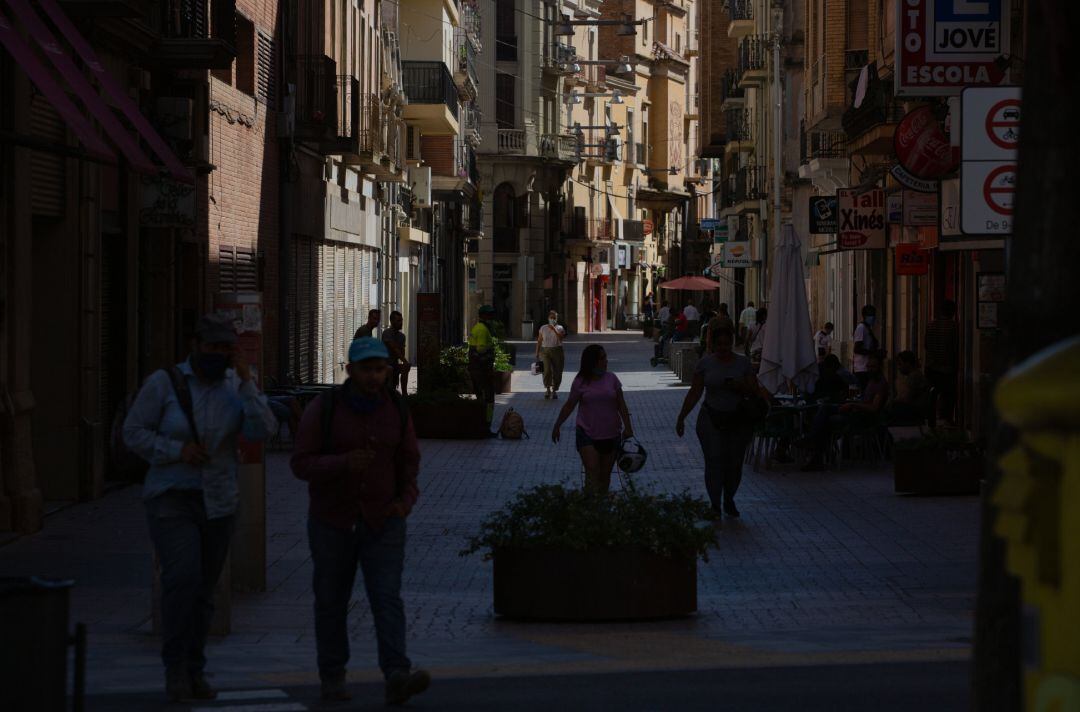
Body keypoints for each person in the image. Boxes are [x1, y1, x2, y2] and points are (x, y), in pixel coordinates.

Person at [123, 313, 278, 702]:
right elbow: (133, 432)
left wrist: (246, 383)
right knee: (183, 579)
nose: (218, 354)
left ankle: (195, 667)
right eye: (212, 347)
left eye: (226, 347)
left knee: (205, 590)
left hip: (219, 500)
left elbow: (263, 430)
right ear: (196, 346)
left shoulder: (235, 386)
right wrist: (176, 450)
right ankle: (175, 667)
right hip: (172, 495)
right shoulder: (165, 384)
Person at [291, 338, 430, 705]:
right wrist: (341, 464)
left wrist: (405, 502)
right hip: (332, 522)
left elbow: (410, 461)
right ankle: (332, 676)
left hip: (383, 520)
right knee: (332, 601)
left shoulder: (397, 409)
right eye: (366, 369)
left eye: (380, 369)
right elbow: (300, 463)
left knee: (386, 598)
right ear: (350, 370)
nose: (374, 376)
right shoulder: (324, 409)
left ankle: (397, 673)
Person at [675, 321, 762, 518]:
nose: (723, 348)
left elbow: (755, 390)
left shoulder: (743, 363)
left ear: (732, 343)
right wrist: (681, 417)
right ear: (713, 345)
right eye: (719, 344)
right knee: (714, 461)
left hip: (737, 419)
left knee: (734, 462)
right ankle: (715, 504)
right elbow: (695, 392)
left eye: (727, 343)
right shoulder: (705, 363)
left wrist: (740, 386)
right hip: (710, 417)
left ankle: (729, 497)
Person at [551, 345, 634, 493]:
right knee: (592, 472)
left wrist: (628, 427)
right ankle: (589, 507)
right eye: (602, 358)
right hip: (587, 434)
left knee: (604, 476)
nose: (606, 361)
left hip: (612, 434)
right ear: (592, 361)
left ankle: (600, 508)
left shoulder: (612, 379)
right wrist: (557, 425)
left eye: (605, 357)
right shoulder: (580, 381)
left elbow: (622, 405)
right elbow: (570, 405)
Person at [802, 352, 889, 471]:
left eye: (873, 367)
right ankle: (817, 454)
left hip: (864, 418)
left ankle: (812, 443)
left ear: (880, 367)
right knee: (825, 417)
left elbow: (874, 408)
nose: (869, 369)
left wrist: (853, 404)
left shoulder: (880, 384)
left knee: (825, 411)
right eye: (868, 366)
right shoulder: (871, 382)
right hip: (856, 411)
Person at [924, 300, 959, 424]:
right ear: (953, 312)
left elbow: (926, 345)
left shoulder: (930, 325)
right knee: (949, 394)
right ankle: (947, 418)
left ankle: (931, 419)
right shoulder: (953, 327)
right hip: (947, 367)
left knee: (932, 393)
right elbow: (955, 347)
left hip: (931, 366)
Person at [468, 305, 498, 433]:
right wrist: (490, 350)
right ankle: (486, 425)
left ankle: (482, 424)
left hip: (478, 369)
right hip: (482, 370)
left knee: (481, 397)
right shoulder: (482, 330)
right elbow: (480, 349)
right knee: (488, 399)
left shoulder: (479, 327)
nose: (492, 317)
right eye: (490, 315)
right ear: (484, 316)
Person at [891, 350, 931, 425]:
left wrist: (894, 400)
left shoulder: (914, 376)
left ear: (908, 364)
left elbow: (906, 398)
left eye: (900, 364)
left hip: (916, 410)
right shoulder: (914, 375)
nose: (899, 368)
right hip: (916, 409)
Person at [536, 310, 566, 400]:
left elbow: (561, 338)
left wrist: (554, 329)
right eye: (551, 317)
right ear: (548, 318)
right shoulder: (543, 328)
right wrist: (537, 352)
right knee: (547, 370)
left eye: (554, 318)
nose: (552, 319)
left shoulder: (560, 328)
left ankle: (554, 390)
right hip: (545, 351)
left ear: (557, 319)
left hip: (557, 350)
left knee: (557, 371)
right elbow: (539, 340)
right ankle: (548, 389)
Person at [852, 305, 880, 391]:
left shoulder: (867, 328)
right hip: (862, 367)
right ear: (865, 316)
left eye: (873, 315)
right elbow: (857, 349)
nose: (872, 317)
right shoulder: (861, 328)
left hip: (867, 366)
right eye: (870, 315)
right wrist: (872, 353)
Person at [382, 311, 410, 394]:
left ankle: (404, 393)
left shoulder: (402, 336)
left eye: (401, 320)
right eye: (398, 321)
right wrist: (405, 361)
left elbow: (402, 353)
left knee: (405, 367)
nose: (401, 323)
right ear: (392, 321)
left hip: (394, 363)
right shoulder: (387, 333)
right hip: (384, 364)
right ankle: (390, 393)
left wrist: (405, 363)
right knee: (390, 369)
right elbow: (394, 349)